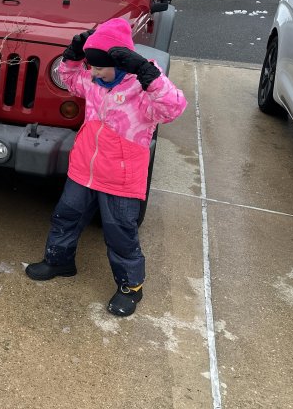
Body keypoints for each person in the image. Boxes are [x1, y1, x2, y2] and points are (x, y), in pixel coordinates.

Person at [25, 18, 188, 317]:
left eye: (100, 66)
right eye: (91, 65)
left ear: (121, 62)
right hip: (84, 168)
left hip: (121, 178)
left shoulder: (143, 90)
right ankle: (59, 260)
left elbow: (173, 107)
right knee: (66, 216)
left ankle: (130, 286)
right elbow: (69, 78)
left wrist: (148, 73)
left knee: (120, 232)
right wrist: (73, 55)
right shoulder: (93, 81)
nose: (94, 72)